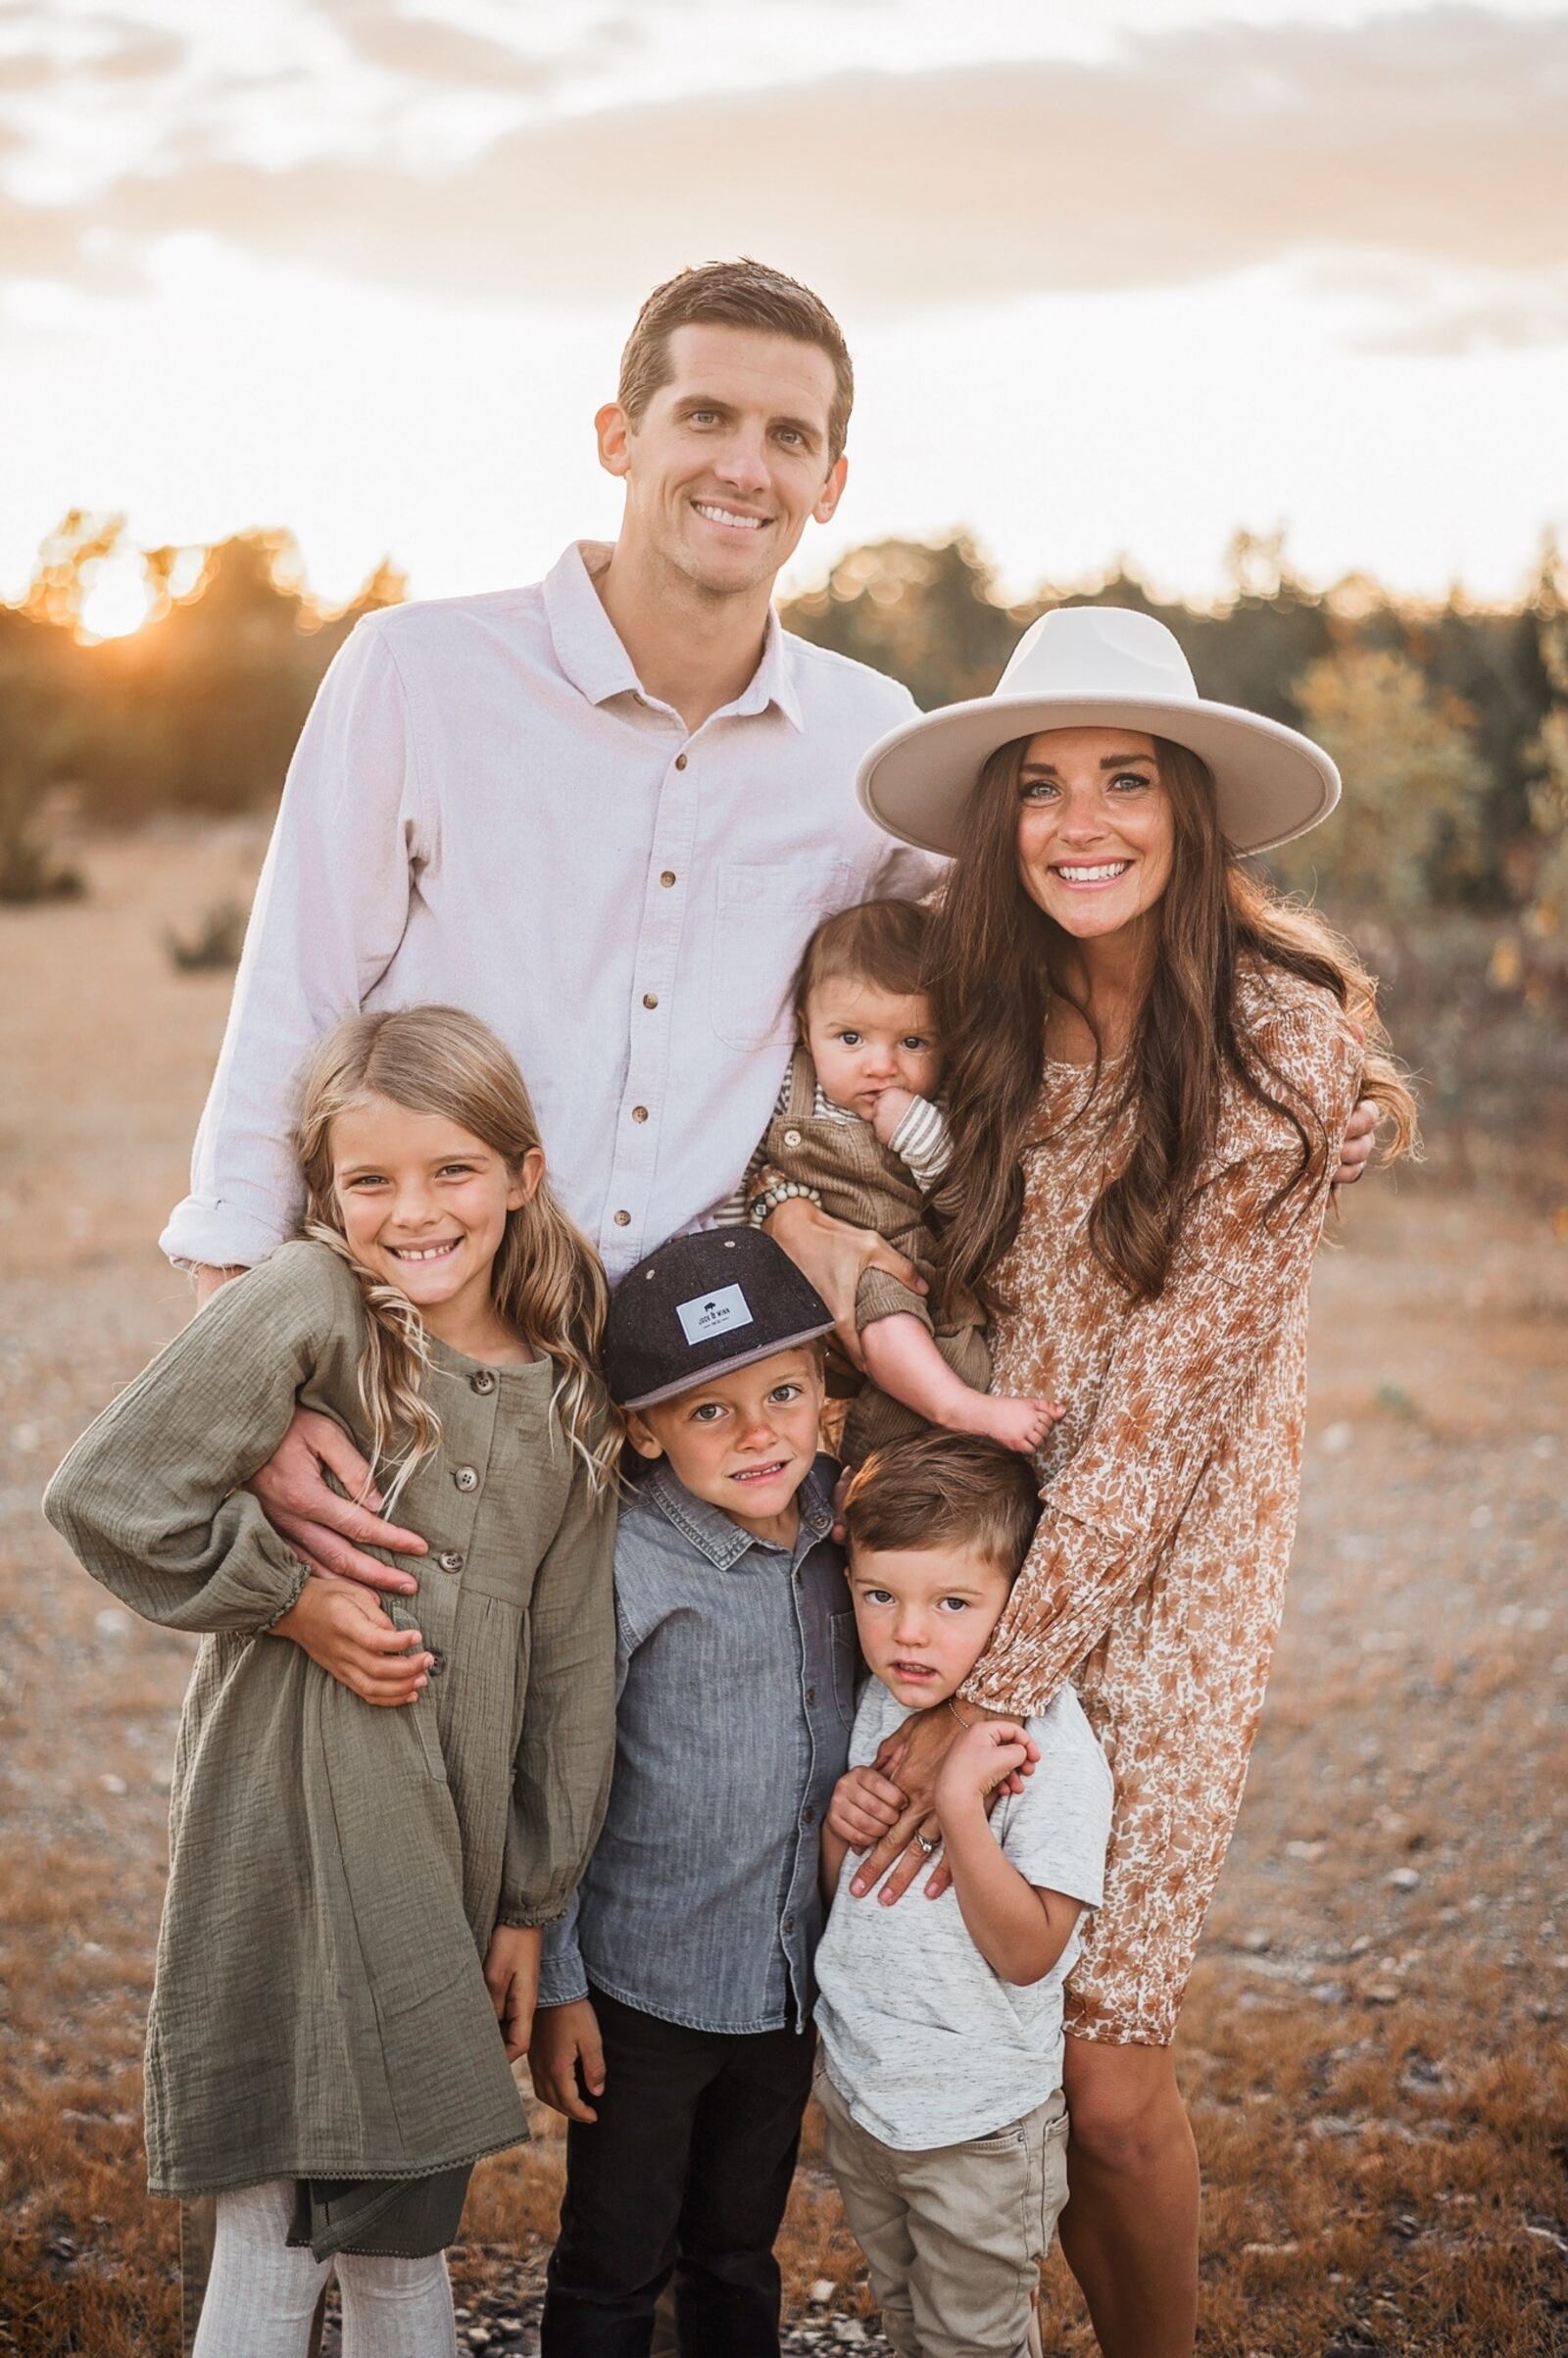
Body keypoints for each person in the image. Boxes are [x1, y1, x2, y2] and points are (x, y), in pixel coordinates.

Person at [837, 604, 1419, 2358]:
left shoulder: (1279, 1050)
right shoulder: (967, 1012)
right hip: (960, 1555)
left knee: (1103, 2058)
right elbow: (831, 1179)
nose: (1082, 821)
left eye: (1127, 780)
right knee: (970, 2028)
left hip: (1167, 1587)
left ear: (1193, 810)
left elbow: (1158, 1435)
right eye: (1041, 785)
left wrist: (967, 1715)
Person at [43, 1006, 619, 2358]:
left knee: (403, 2239)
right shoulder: (306, 1304)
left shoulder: (570, 1392)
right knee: (265, 2225)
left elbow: (572, 1670)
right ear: (324, 1192)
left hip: (446, 1852)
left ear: (525, 1174)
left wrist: (531, 1901)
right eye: (370, 1180)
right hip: (283, 1823)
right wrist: (295, 1600)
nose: (411, 1212)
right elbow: (109, 1492)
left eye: (452, 1171)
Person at [526, 1226, 858, 2356]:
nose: (759, 1432)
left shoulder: (846, 1528)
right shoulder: (627, 1563)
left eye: (781, 1392)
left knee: (737, 2246)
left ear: (825, 1391)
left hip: (784, 1986)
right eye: (708, 1411)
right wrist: (561, 1982)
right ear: (644, 1429)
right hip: (643, 1989)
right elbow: (562, 1773)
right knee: (616, 2256)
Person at [814, 1432, 1112, 2358]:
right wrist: (840, 1824)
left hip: (979, 2127)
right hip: (868, 2095)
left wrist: (960, 1807)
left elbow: (1029, 1953)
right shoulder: (878, 1701)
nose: (910, 1632)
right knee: (906, 2323)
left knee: (973, 2343)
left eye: (953, 1603)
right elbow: (854, 1902)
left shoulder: (1048, 1751)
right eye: (880, 1596)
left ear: (1017, 1605)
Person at [717, 897, 1061, 1460]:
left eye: (912, 1043)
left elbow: (965, 1201)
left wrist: (918, 1129)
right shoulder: (789, 1089)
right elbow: (742, 1176)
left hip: (905, 1267)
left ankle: (878, 1475)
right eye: (850, 1038)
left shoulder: (942, 1105)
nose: (880, 1065)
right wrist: (739, 1265)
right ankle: (952, 1405)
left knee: (908, 1374)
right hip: (796, 1279)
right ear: (807, 1031)